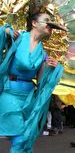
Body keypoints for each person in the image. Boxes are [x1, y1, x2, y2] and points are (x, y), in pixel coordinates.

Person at [0, 12, 64, 152]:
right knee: (20, 138)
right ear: (34, 23)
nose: (50, 25)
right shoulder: (17, 37)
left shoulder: (43, 54)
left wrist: (53, 68)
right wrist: (4, 30)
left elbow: (41, 81)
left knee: (26, 139)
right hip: (9, 94)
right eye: (47, 20)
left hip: (28, 99)